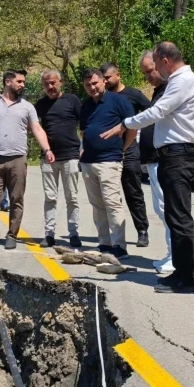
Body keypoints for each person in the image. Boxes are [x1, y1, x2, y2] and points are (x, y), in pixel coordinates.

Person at [117, 42, 194, 293]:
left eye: (155, 64)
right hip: (173, 155)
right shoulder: (179, 80)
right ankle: (181, 271)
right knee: (174, 216)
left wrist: (125, 124)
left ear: (165, 61)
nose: (155, 70)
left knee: (179, 217)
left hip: (178, 155)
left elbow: (157, 111)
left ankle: (186, 277)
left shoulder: (181, 80)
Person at [0, 69, 55, 250]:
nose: (22, 85)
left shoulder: (27, 106)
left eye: (23, 82)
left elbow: (37, 129)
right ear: (8, 82)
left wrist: (47, 149)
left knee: (16, 199)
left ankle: (12, 235)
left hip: (18, 159)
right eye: (19, 81)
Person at [79, 68, 135, 259]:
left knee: (112, 203)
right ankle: (104, 243)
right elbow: (84, 131)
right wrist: (83, 148)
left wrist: (123, 148)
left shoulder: (118, 101)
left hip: (110, 160)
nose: (92, 87)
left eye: (95, 83)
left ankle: (120, 246)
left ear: (103, 81)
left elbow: (132, 127)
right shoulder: (86, 106)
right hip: (88, 162)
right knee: (97, 205)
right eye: (88, 85)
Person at [100, 62, 150, 248]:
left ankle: (142, 231)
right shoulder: (102, 98)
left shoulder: (133, 95)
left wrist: (142, 133)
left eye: (108, 78)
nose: (105, 82)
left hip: (129, 152)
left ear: (118, 75)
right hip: (108, 153)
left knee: (133, 193)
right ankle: (115, 234)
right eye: (103, 79)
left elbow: (151, 112)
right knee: (110, 196)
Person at [34, 70, 82, 249]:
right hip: (48, 158)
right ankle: (49, 234)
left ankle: (74, 233)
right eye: (46, 84)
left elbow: (85, 124)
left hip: (70, 156)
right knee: (50, 197)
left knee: (72, 197)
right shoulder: (40, 105)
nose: (50, 86)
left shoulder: (72, 100)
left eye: (53, 82)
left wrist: (83, 147)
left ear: (61, 82)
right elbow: (34, 127)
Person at [137, 51, 173, 273]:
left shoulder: (170, 89)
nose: (148, 76)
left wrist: (127, 124)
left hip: (164, 158)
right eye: (145, 73)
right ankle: (172, 253)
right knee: (161, 209)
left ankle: (176, 257)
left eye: (150, 71)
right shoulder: (159, 90)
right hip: (154, 159)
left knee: (168, 209)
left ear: (161, 64)